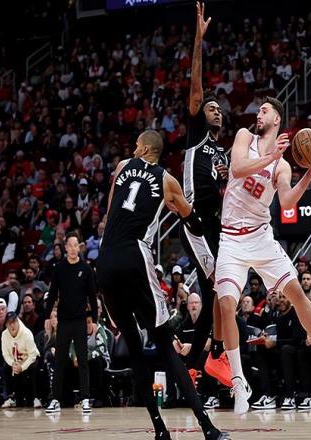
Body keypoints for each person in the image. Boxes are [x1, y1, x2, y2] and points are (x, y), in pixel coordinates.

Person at [215, 96, 311, 414]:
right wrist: (270, 156)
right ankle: (238, 381)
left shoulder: (282, 165)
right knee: (226, 305)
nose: (258, 114)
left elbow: (287, 201)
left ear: (277, 119)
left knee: (298, 294)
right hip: (231, 239)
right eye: (258, 110)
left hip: (261, 238)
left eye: (264, 111)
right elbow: (238, 168)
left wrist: (310, 172)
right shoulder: (244, 138)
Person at [96, 129, 226, 440]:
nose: (133, 149)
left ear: (143, 148)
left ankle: (159, 429)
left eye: (135, 145)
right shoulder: (168, 181)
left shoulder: (122, 166)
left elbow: (111, 211)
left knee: (133, 344)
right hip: (135, 256)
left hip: (105, 258)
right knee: (165, 344)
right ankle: (207, 427)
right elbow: (192, 220)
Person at [180, 2, 230, 386]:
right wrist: (198, 40)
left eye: (218, 109)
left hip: (216, 225)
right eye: (211, 108)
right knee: (216, 287)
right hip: (194, 221)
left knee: (219, 291)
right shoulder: (196, 135)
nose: (216, 112)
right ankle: (212, 355)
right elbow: (196, 86)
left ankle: (194, 363)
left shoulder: (222, 153)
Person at [44, 232, 98, 415]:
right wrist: (47, 316)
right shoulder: (59, 269)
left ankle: (85, 399)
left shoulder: (86, 269)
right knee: (60, 361)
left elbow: (92, 295)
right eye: (70, 245)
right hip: (64, 321)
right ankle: (55, 399)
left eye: (76, 245)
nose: (74, 249)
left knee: (82, 360)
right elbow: (52, 293)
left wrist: (94, 319)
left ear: (79, 247)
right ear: (65, 247)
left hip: (80, 320)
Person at [0, 312, 42, 409]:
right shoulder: (4, 335)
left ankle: (36, 398)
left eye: (14, 322)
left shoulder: (26, 333)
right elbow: (5, 354)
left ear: (18, 321)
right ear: (6, 325)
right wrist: (13, 364)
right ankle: (10, 398)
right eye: (9, 323)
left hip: (30, 360)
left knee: (34, 367)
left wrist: (22, 367)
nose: (12, 325)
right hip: (15, 362)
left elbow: (32, 355)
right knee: (5, 368)